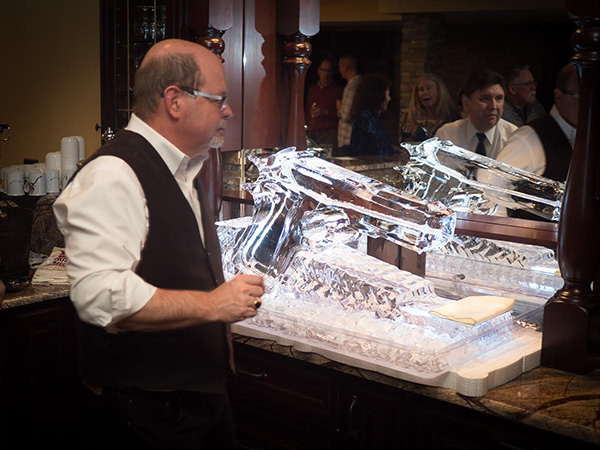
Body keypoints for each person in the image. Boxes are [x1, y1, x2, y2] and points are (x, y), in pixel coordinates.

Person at [53, 39, 264, 450]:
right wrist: (213, 305)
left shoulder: (186, 167)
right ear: (174, 100)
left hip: (196, 401)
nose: (228, 111)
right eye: (219, 98)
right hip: (147, 415)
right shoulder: (114, 173)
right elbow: (99, 295)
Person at [497, 63, 578, 181]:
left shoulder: (535, 107)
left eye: (533, 83)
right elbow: (491, 187)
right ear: (559, 97)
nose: (533, 88)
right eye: (580, 95)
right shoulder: (529, 138)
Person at [435, 69, 517, 160]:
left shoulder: (513, 137)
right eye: (485, 98)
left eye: (499, 98)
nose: (493, 106)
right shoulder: (446, 135)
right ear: (466, 103)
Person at [341, 73, 397, 157]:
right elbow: (378, 150)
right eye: (387, 94)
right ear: (378, 95)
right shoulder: (367, 120)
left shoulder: (369, 118)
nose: (389, 98)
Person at [400, 73, 458, 142]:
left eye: (428, 88)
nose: (424, 92)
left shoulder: (452, 116)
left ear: (439, 90)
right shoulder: (411, 117)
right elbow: (404, 144)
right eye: (421, 89)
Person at [305, 58, 343, 149]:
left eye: (329, 71)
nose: (326, 74)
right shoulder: (312, 89)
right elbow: (307, 109)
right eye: (324, 70)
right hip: (312, 132)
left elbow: (342, 115)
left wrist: (324, 112)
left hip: (329, 132)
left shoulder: (338, 90)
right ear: (318, 71)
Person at [336, 55, 361, 149]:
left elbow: (346, 115)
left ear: (345, 68)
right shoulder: (360, 83)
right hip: (354, 139)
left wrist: (339, 108)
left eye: (340, 67)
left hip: (347, 139)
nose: (339, 70)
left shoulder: (351, 87)